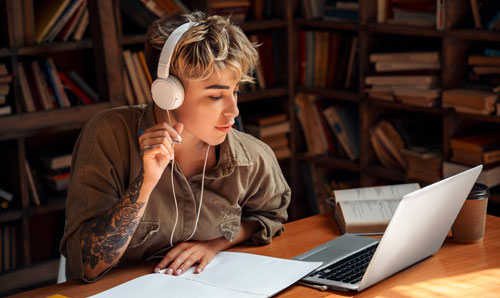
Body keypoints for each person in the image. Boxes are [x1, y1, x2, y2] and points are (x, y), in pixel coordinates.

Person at [60, 11, 291, 282]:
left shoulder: (253, 158)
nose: (234, 111)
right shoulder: (107, 136)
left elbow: (270, 218)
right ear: (168, 93)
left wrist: (215, 244)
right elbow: (86, 265)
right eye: (216, 96)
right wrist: (145, 183)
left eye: (235, 91)